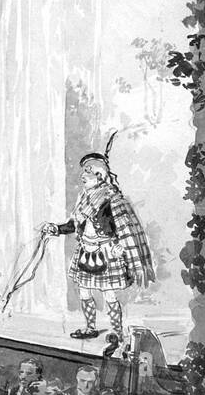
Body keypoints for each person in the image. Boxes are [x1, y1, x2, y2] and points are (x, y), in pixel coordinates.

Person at [43, 134, 155, 344]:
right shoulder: (84, 198)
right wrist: (55, 229)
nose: (83, 176)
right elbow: (74, 224)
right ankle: (90, 327)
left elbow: (125, 228)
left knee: (109, 294)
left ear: (100, 176)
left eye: (88, 172)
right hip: (85, 250)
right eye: (83, 172)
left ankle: (116, 332)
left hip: (106, 251)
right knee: (84, 291)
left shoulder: (112, 199)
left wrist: (120, 247)